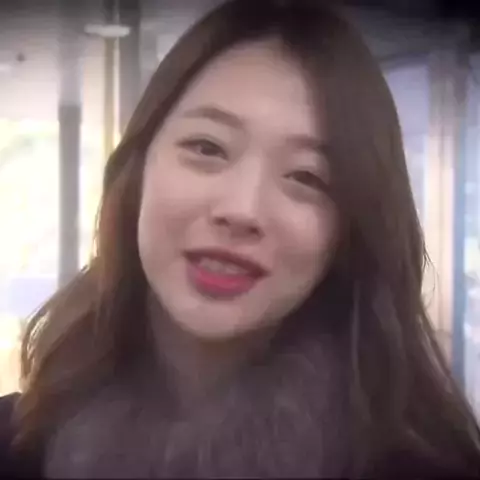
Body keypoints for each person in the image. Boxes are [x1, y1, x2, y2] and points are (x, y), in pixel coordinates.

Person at [2, 0, 480, 477]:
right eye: (207, 147)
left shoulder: (425, 467)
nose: (241, 210)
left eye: (307, 176)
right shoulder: (19, 443)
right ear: (138, 169)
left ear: (351, 229)